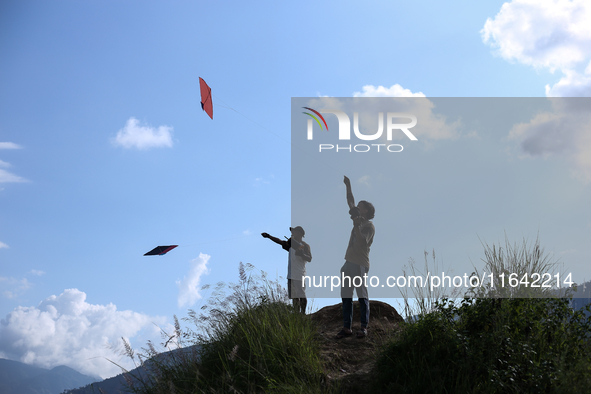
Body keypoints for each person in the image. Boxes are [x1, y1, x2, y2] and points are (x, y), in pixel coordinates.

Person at [336, 175, 375, 339]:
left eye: (360, 206)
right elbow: (350, 200)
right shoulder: (357, 217)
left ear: (365, 210)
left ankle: (364, 327)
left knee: (361, 295)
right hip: (348, 263)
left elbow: (361, 242)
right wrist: (348, 184)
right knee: (346, 295)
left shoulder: (369, 226)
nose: (357, 206)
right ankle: (347, 328)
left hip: (360, 264)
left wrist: (357, 226)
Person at [261, 226, 312, 314]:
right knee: (294, 296)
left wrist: (302, 254)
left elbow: (310, 258)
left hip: (300, 273)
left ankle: (303, 313)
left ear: (300, 233)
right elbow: (280, 241)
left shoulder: (306, 246)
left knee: (301, 294)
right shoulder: (291, 243)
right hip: (291, 275)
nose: (292, 233)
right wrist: (269, 236)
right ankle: (297, 315)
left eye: (294, 231)